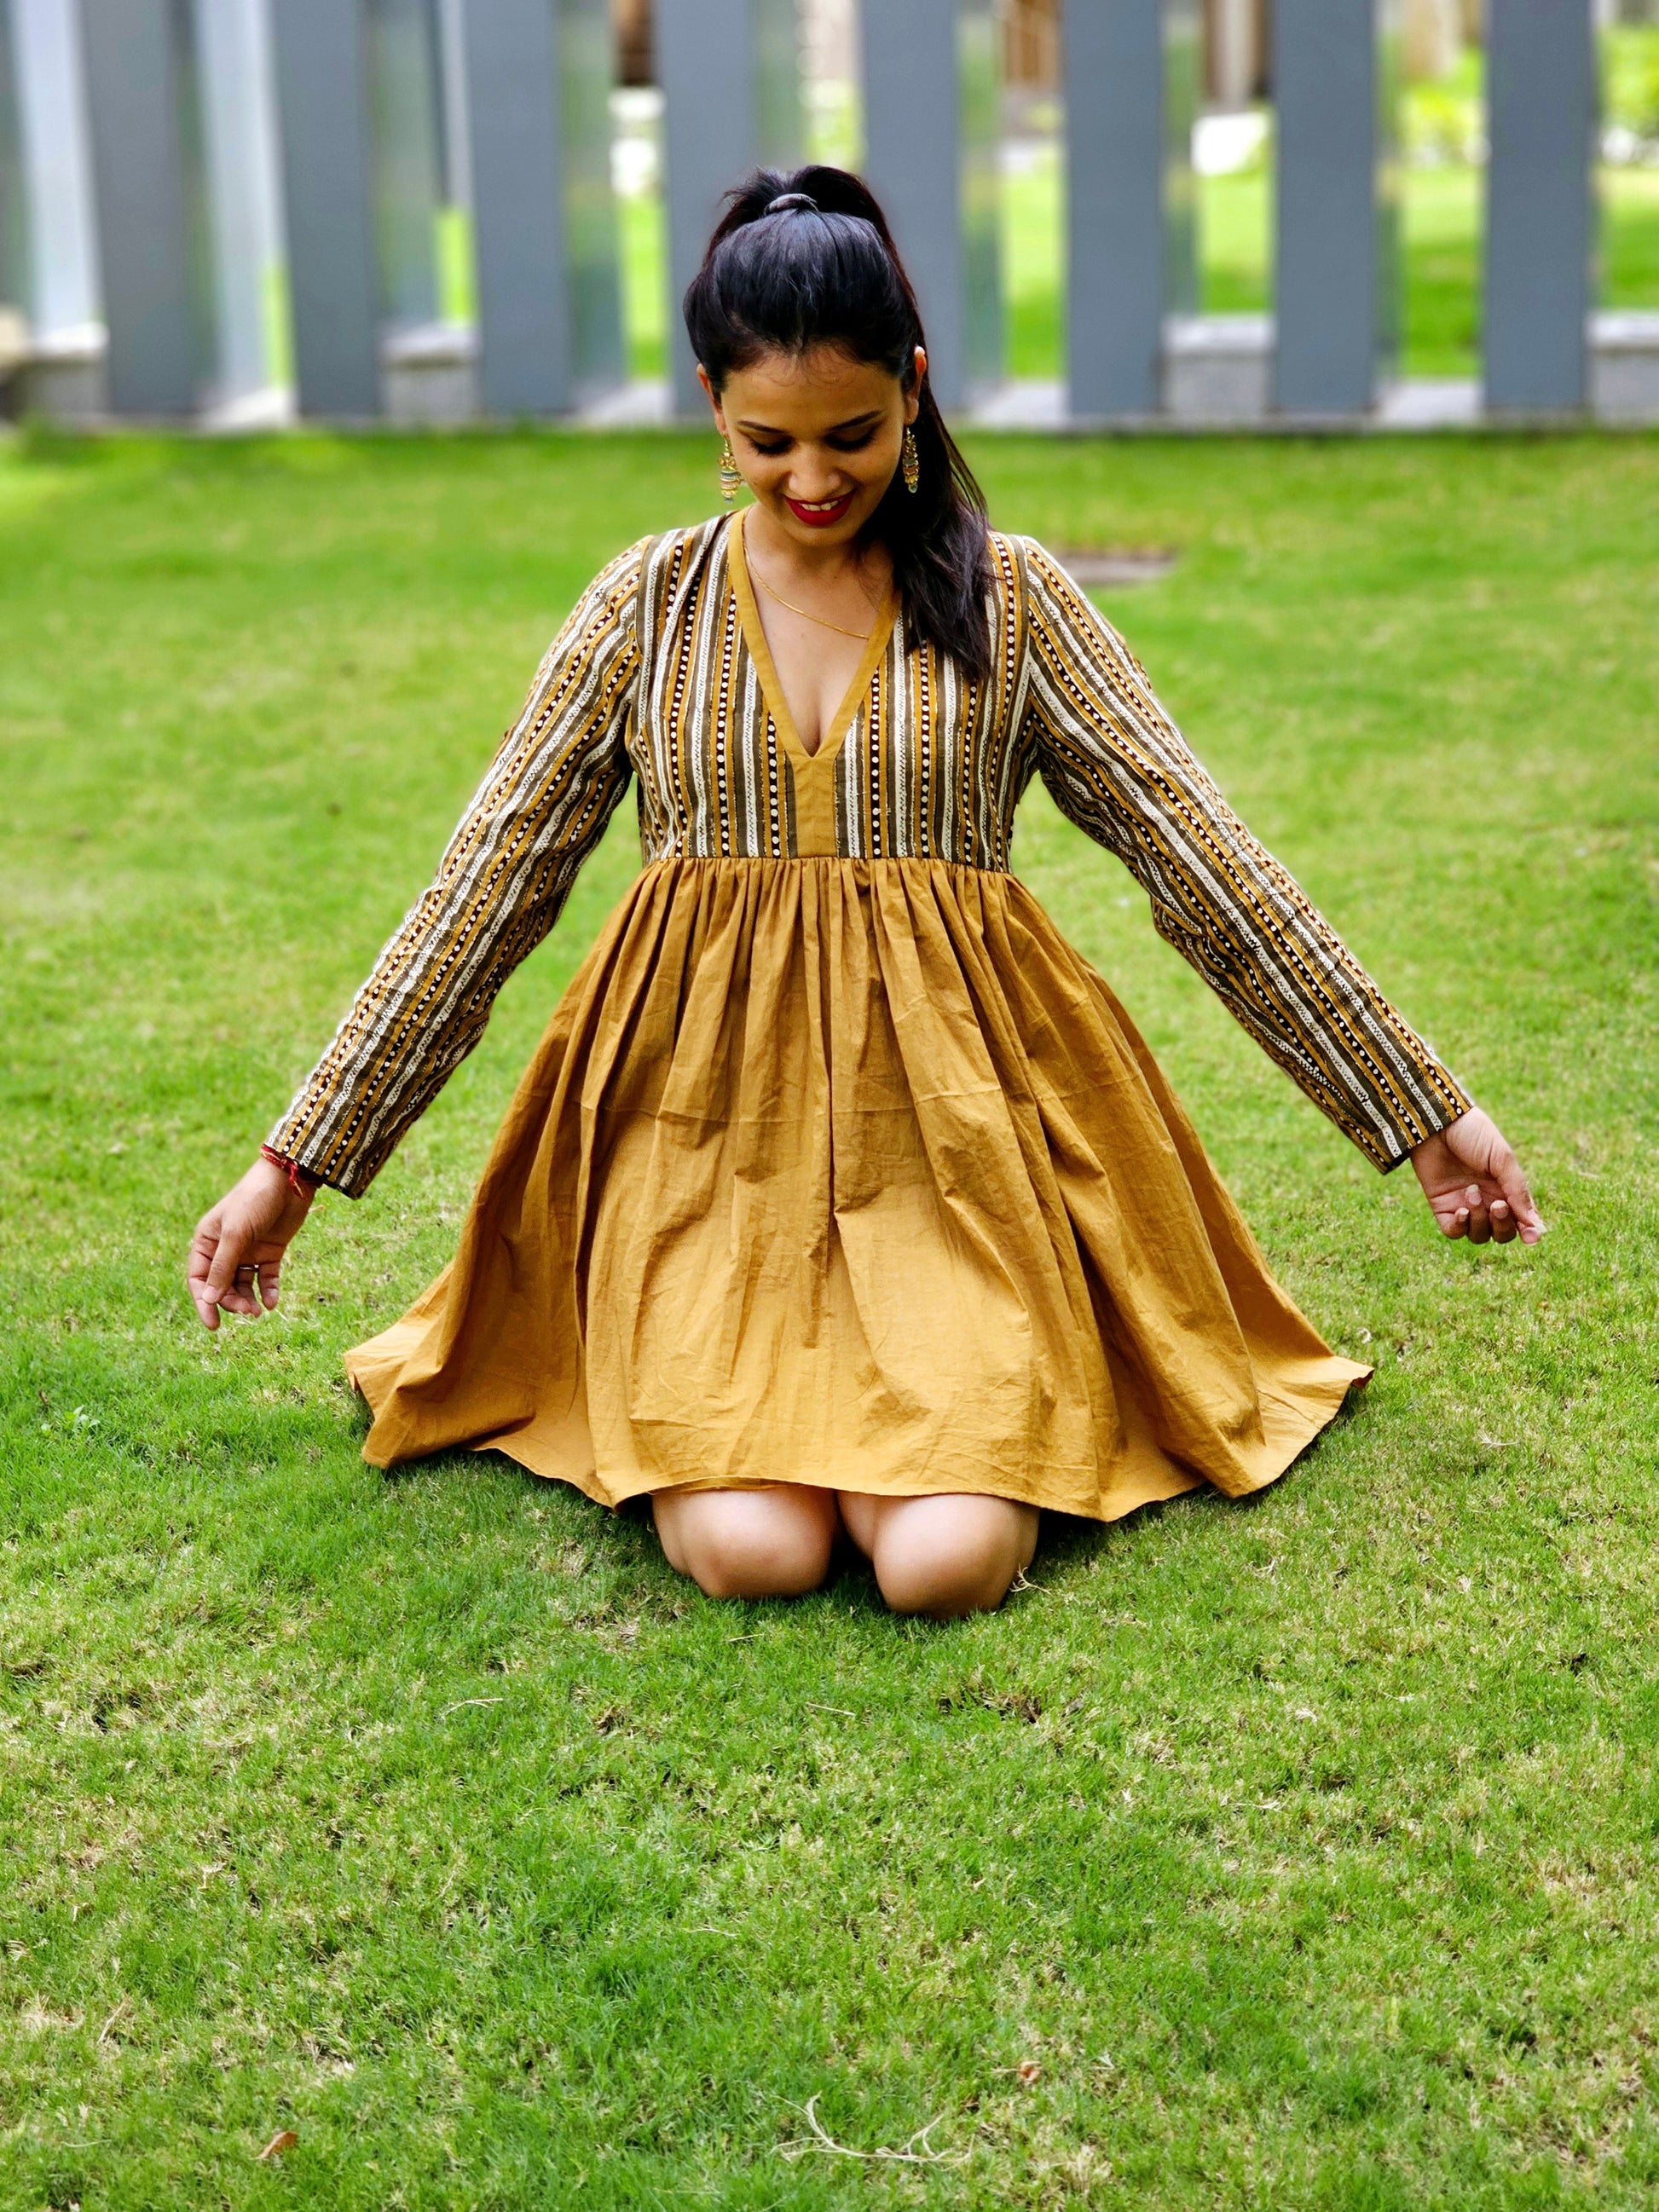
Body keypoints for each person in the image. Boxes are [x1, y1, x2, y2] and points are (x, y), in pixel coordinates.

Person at [187, 166, 1542, 1620]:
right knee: (752, 1555)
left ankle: (927, 1429)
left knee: (940, 1565)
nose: (813, 478)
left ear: (913, 390)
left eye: (853, 434)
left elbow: (1201, 858)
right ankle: (774, 1420)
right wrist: (297, 1163)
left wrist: (1420, 1112)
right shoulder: (645, 604)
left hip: (956, 1145)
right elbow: (485, 889)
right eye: (768, 441)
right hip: (704, 1148)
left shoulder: (1009, 598)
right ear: (711, 402)